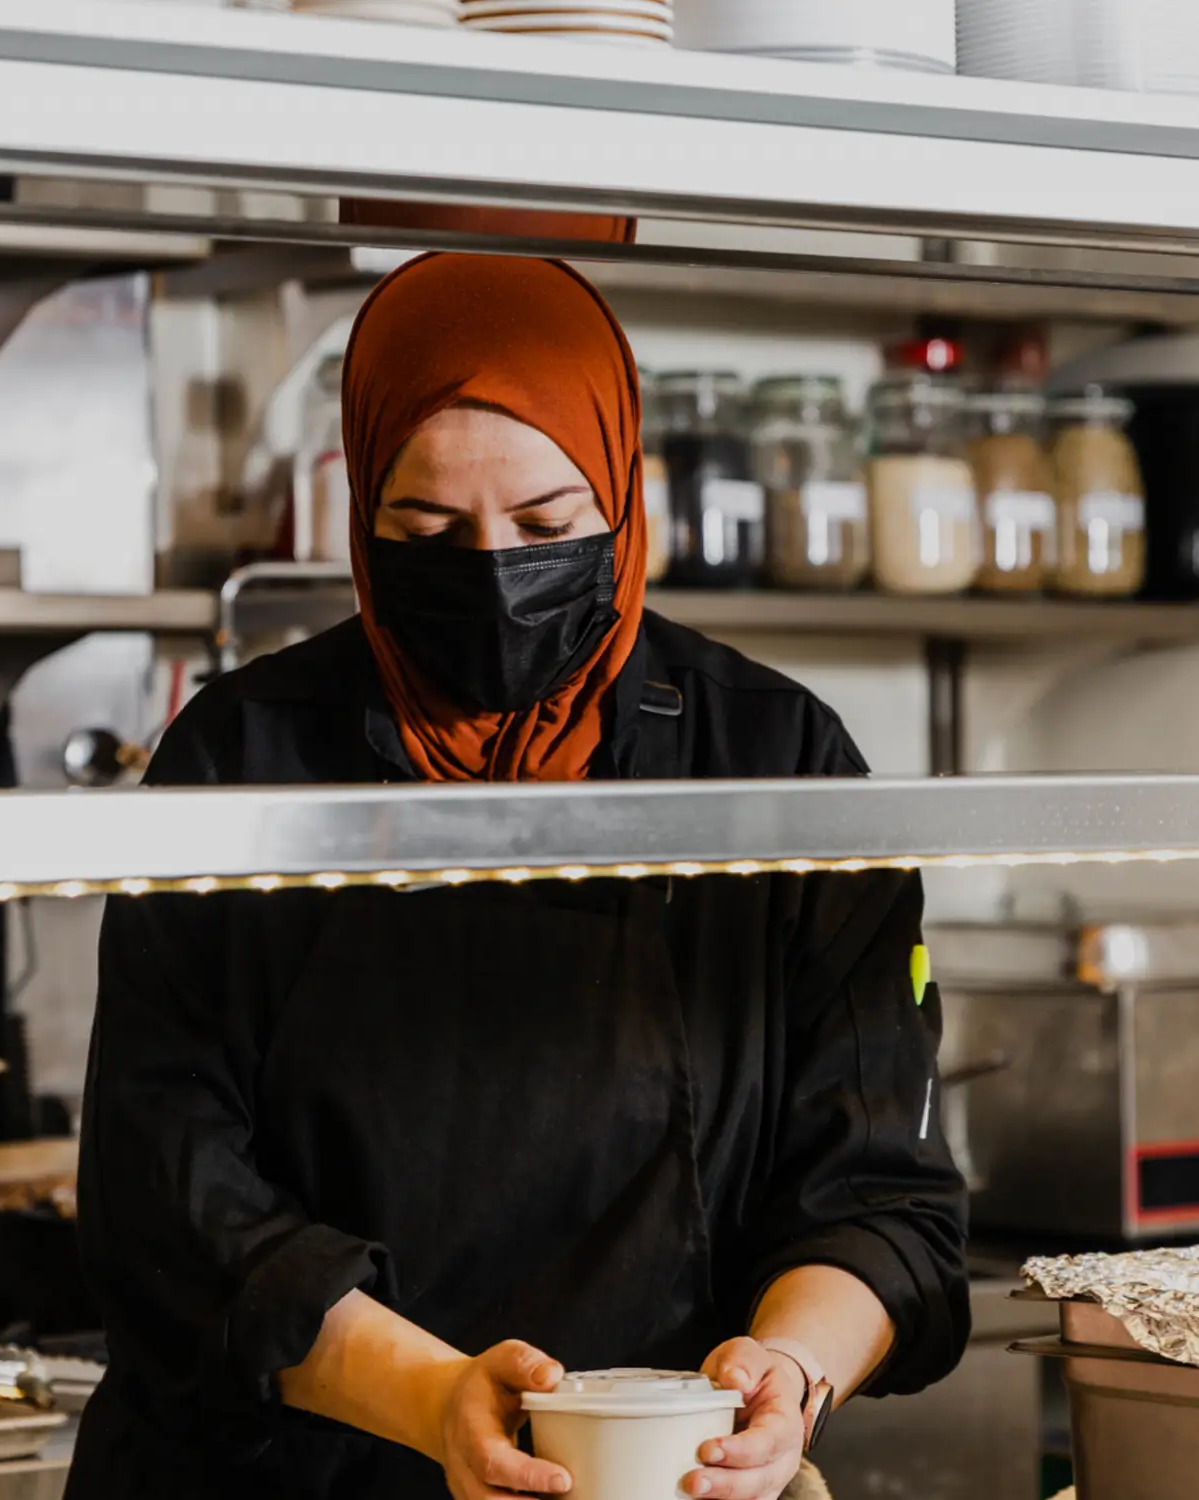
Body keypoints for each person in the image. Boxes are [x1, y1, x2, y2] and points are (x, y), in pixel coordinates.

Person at [70, 254, 967, 1500]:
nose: (494, 571)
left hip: (665, 1474)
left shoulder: (774, 761)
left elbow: (881, 1193)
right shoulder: (242, 759)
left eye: (548, 527)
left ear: (622, 490)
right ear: (360, 516)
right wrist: (433, 1397)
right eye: (427, 532)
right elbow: (164, 1197)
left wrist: (789, 1374)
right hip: (296, 1475)